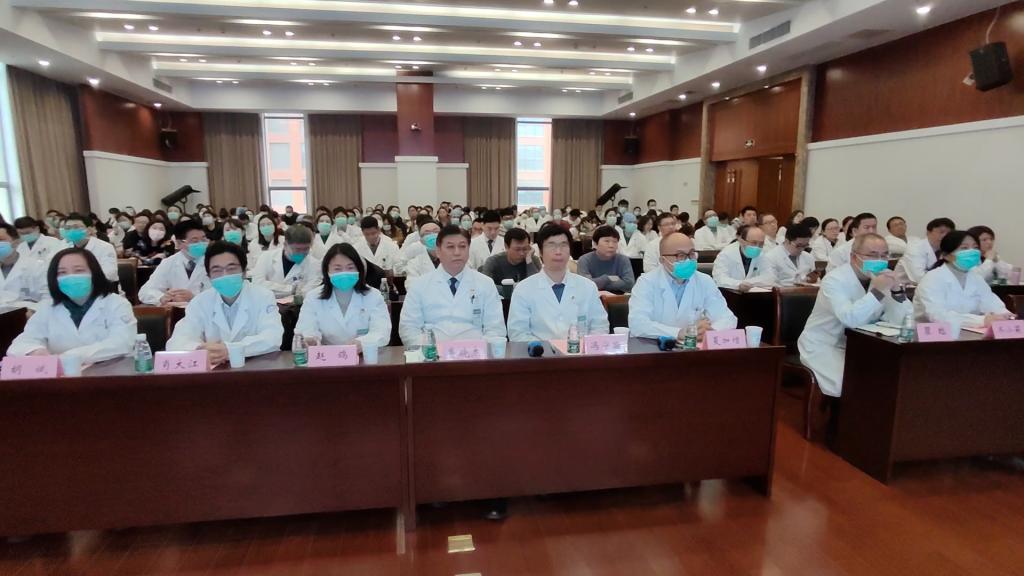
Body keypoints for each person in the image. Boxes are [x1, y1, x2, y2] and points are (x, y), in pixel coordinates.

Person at [798, 233, 914, 398]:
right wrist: (877, 292)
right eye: (872, 255)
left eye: (884, 256)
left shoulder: (884, 279)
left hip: (864, 345)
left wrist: (897, 292)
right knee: (850, 383)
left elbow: (904, 320)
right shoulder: (834, 280)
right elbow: (850, 318)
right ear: (854, 257)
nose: (879, 260)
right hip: (825, 345)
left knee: (891, 380)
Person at [8, 247, 136, 363]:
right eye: (62, 272)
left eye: (79, 270)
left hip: (109, 373)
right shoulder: (47, 308)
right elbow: (21, 343)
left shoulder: (116, 304)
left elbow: (122, 342)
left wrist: (70, 357)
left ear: (94, 273)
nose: (71, 277)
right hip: (62, 377)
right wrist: (35, 351)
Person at [166, 242, 282, 366]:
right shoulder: (200, 302)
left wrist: (230, 349)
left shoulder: (263, 296)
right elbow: (176, 342)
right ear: (209, 277)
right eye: (217, 270)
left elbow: (272, 337)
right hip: (215, 372)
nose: (225, 275)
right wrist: (200, 349)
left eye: (231, 268)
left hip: (256, 368)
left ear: (244, 272)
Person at [398, 225, 506, 346]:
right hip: (431, 353)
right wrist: (431, 349)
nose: (457, 252)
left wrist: (476, 349)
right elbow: (409, 329)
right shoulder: (419, 285)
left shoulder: (485, 283)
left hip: (474, 353)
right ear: (438, 251)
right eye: (450, 247)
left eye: (462, 246)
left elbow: (495, 329)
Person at [507, 223, 609, 342]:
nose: (558, 251)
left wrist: (583, 348)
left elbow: (600, 326)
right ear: (540, 252)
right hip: (539, 353)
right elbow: (518, 333)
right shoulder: (523, 289)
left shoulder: (588, 287)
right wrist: (547, 349)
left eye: (563, 245)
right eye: (551, 245)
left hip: (581, 352)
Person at [628, 232, 736, 341]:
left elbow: (727, 317)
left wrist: (711, 331)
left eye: (691, 254)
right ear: (662, 260)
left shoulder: (704, 280)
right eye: (681, 256)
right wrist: (678, 333)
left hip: (694, 346)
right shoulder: (646, 283)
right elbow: (637, 324)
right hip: (655, 346)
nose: (688, 260)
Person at [295, 243, 391, 350]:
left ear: (359, 269)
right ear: (327, 271)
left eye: (350, 268)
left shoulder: (373, 296)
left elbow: (382, 332)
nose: (344, 273)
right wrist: (311, 340)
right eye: (337, 269)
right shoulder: (313, 297)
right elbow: (305, 329)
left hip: (365, 355)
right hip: (327, 357)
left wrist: (363, 343)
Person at [913, 230, 1012, 330]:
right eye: (964, 248)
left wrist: (1006, 316)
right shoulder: (932, 278)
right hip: (932, 335)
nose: (972, 252)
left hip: (970, 332)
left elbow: (991, 302)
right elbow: (938, 315)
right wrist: (982, 320)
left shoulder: (976, 278)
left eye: (975, 247)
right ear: (946, 255)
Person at [137, 219, 211, 305]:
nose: (201, 244)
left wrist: (194, 298)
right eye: (195, 241)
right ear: (179, 243)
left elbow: (219, 295)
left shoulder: (214, 261)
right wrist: (162, 297)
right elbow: (145, 292)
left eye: (203, 240)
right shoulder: (169, 263)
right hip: (176, 310)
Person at [252, 224, 322, 298]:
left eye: (306, 249)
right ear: (285, 245)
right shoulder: (266, 257)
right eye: (297, 249)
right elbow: (257, 284)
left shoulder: (315, 265)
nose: (301, 253)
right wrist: (291, 289)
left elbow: (307, 293)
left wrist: (273, 288)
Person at [712, 225, 775, 291]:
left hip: (752, 294)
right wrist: (738, 284)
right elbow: (719, 279)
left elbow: (769, 277)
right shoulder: (726, 254)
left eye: (761, 244)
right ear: (741, 241)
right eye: (754, 243)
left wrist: (747, 283)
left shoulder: (761, 254)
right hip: (729, 293)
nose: (757, 247)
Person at [59, 213, 118, 284]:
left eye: (76, 227)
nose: (71, 231)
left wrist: (82, 278)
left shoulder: (105, 247)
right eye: (68, 228)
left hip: (101, 286)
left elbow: (110, 273)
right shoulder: (63, 246)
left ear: (89, 230)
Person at [893, 217, 955, 284]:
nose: (945, 236)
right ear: (928, 233)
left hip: (937, 286)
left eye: (949, 233)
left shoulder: (950, 249)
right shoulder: (915, 249)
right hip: (905, 288)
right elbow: (919, 278)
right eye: (941, 232)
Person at [576, 226, 635, 294]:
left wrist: (599, 284)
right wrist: (607, 278)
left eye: (615, 242)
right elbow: (585, 285)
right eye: (607, 241)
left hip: (618, 298)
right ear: (595, 243)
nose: (611, 245)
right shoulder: (585, 260)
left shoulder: (623, 260)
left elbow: (629, 284)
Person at [0, 224, 48, 307]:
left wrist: (33, 309)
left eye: (1, 239)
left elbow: (48, 297)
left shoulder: (36, 266)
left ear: (16, 242)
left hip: (30, 313)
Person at [404, 220, 441, 289]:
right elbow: (411, 287)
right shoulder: (414, 264)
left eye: (436, 232)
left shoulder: (454, 258)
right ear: (421, 241)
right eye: (427, 233)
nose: (432, 235)